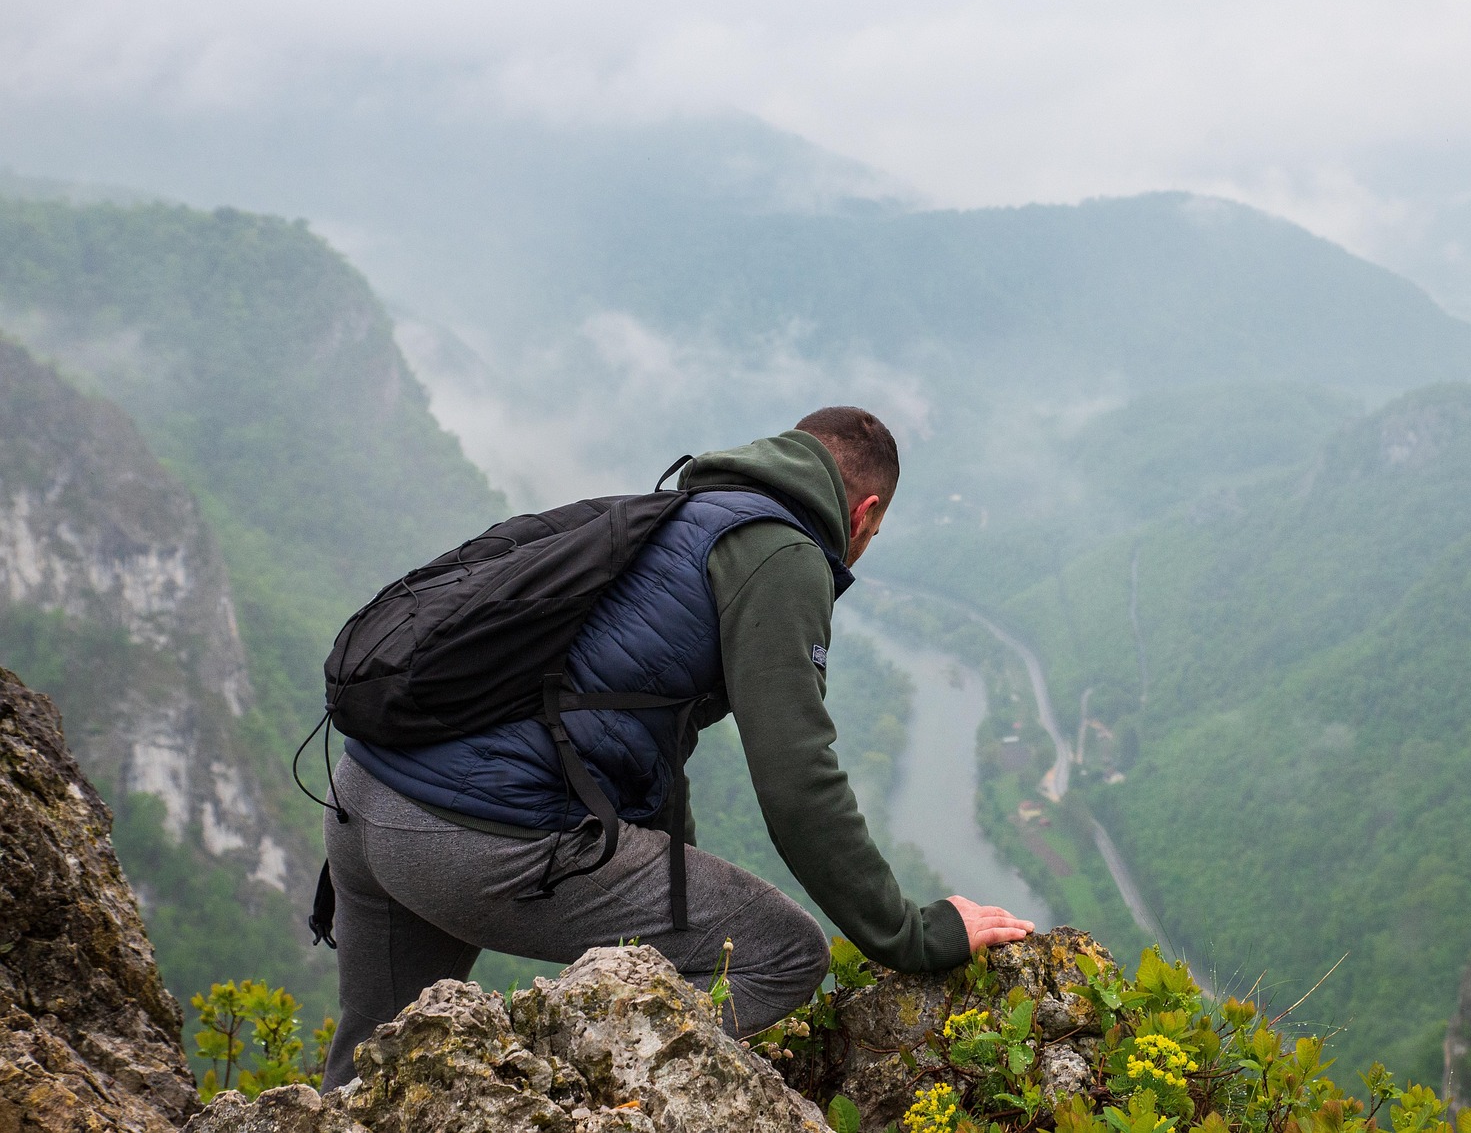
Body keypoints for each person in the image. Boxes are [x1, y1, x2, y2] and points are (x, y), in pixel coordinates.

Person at [319, 406, 1034, 1090]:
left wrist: (673, 892)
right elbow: (798, 783)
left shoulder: (685, 512)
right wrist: (911, 935)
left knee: (369, 1067)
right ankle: (565, 1097)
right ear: (865, 515)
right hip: (471, 839)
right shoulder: (783, 557)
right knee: (783, 954)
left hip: (362, 799)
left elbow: (655, 750)